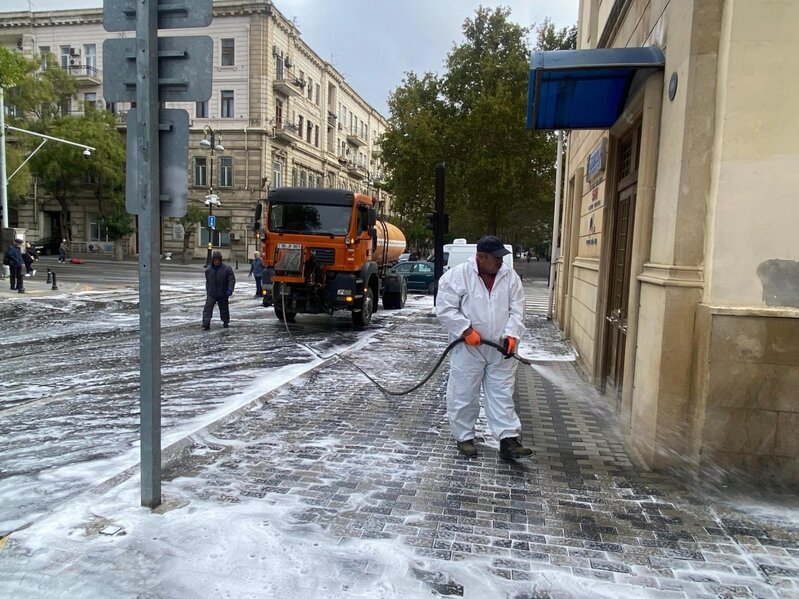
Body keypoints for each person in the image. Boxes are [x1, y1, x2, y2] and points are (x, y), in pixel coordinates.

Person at [436, 235, 532, 460]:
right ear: (480, 257)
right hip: (468, 348)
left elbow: (518, 310)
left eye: (501, 257)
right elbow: (445, 308)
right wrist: (465, 330)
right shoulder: (458, 276)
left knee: (502, 394)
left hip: (500, 348)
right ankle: (464, 437)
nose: (500, 262)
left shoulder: (510, 277)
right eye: (495, 257)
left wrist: (512, 335)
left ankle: (509, 440)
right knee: (464, 392)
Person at [203, 250, 236, 330]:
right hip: (212, 293)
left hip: (223, 293)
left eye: (218, 260)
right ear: (213, 260)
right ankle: (206, 323)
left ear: (220, 260)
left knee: (224, 308)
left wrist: (230, 289)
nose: (217, 262)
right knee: (208, 308)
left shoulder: (226, 269)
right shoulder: (209, 269)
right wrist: (208, 290)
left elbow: (231, 280)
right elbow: (208, 281)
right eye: (215, 260)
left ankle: (225, 321)